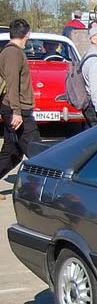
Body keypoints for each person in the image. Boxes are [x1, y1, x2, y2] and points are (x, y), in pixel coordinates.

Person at [0, 19, 38, 197]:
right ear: (27, 34)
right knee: (37, 151)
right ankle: (44, 189)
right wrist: (16, 112)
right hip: (17, 109)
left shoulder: (13, 52)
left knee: (12, 153)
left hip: (15, 108)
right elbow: (12, 84)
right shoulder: (12, 53)